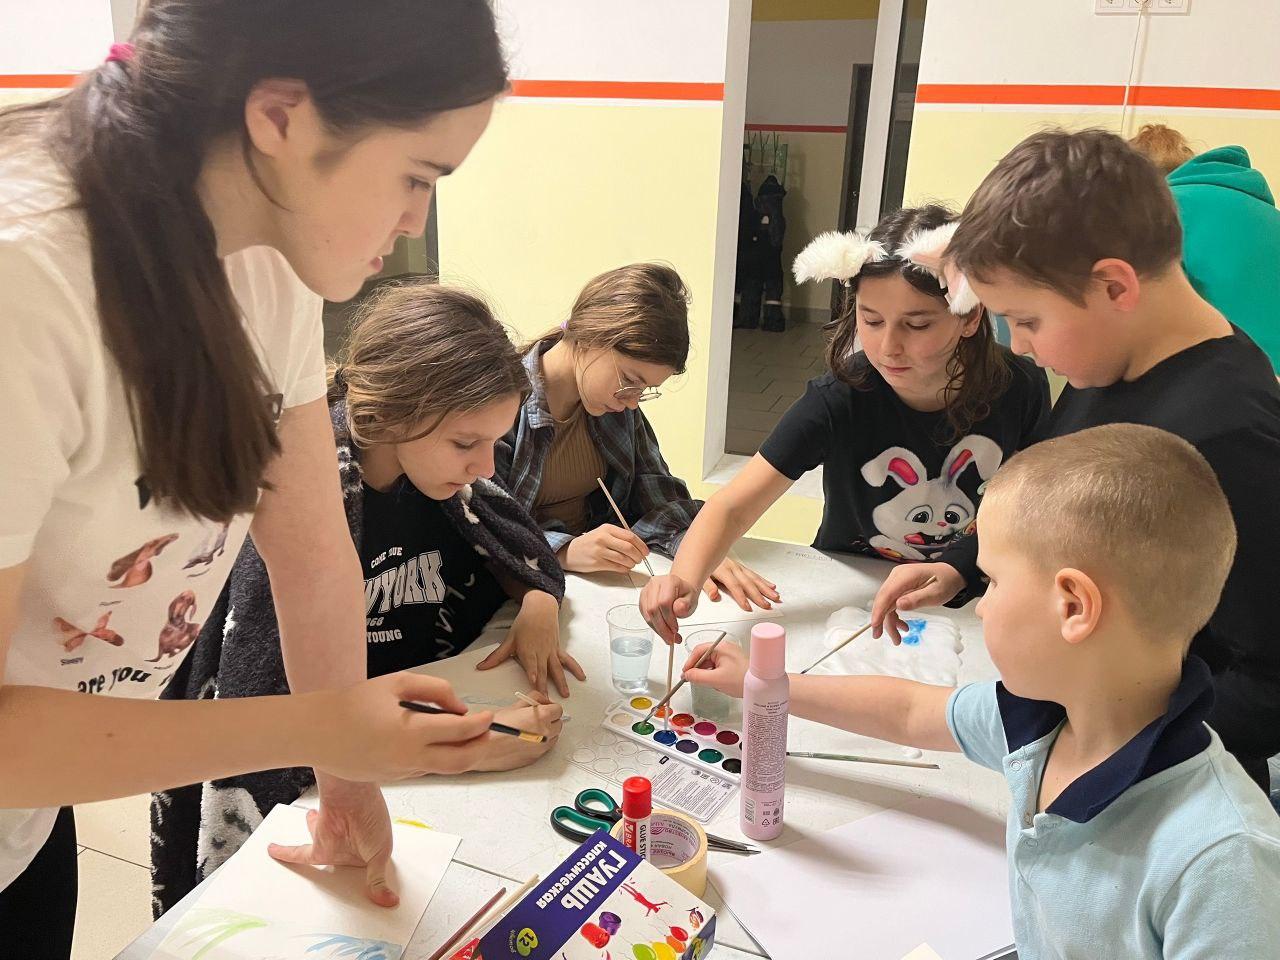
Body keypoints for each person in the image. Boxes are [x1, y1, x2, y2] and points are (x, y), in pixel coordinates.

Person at [0, 1, 514, 951]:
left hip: (31, 814)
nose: (415, 222)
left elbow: (314, 558)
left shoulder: (268, 258)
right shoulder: (25, 282)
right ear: (279, 117)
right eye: (416, 175)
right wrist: (319, 729)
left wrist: (345, 786)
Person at [687, 424, 1280, 959]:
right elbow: (909, 711)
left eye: (992, 581)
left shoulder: (1222, 863)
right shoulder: (1047, 720)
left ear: (1073, 607)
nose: (982, 606)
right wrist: (766, 684)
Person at [870, 129, 1280, 792]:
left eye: (1028, 321)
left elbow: (1269, 681)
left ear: (1115, 286)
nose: (1020, 346)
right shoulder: (1112, 359)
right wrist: (961, 565)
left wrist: (1108, 749)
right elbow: (1052, 502)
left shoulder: (1230, 434)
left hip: (1158, 782)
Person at [151, 281, 576, 912]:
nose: (487, 467)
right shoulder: (307, 502)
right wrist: (464, 745)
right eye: (466, 443)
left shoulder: (441, 487)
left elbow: (518, 546)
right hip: (325, 797)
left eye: (495, 442)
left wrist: (539, 600)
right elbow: (280, 723)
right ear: (397, 411)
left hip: (376, 757)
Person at [641, 206, 1049, 643]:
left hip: (972, 597)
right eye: (871, 320)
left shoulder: (1019, 388)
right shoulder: (839, 396)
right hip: (848, 586)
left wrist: (958, 567)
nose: (888, 346)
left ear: (969, 316)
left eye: (917, 324)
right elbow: (733, 506)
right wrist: (682, 579)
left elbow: (1029, 510)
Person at [498, 262, 776, 610]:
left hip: (597, 587)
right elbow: (485, 525)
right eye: (630, 380)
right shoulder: (498, 405)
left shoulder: (615, 407)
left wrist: (697, 548)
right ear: (590, 338)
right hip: (524, 589)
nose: (632, 401)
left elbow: (656, 491)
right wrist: (565, 550)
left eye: (645, 390)